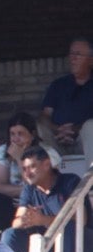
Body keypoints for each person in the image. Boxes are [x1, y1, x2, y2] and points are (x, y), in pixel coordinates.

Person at [0, 146, 93, 252]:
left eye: (32, 167)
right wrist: (26, 219)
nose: (27, 173)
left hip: (81, 245)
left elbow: (82, 220)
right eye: (24, 169)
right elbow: (16, 222)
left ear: (46, 164)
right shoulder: (29, 189)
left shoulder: (70, 181)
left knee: (68, 225)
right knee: (9, 234)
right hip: (50, 249)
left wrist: (42, 220)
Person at [0, 112, 62, 229]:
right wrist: (24, 192)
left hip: (38, 202)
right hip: (12, 202)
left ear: (32, 134)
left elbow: (43, 187)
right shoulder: (2, 151)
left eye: (20, 134)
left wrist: (19, 158)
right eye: (12, 134)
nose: (15, 139)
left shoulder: (47, 153)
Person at [39, 36, 93, 168]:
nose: (72, 58)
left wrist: (75, 129)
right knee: (39, 126)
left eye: (78, 54)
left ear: (91, 60)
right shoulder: (58, 85)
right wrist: (58, 130)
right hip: (57, 141)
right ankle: (52, 181)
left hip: (84, 142)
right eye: (71, 53)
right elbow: (45, 115)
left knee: (91, 126)